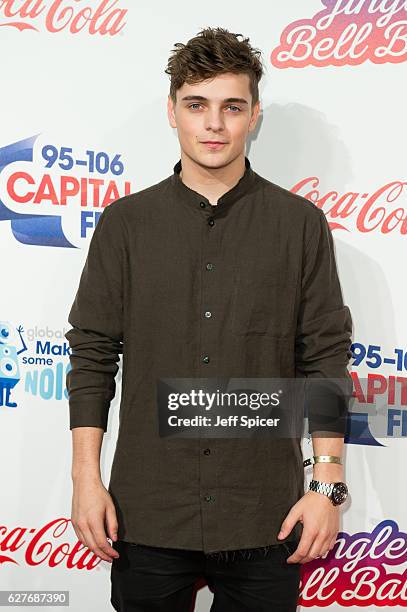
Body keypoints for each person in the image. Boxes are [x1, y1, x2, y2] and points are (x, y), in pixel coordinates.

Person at [65, 26, 353, 612]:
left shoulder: (300, 225)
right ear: (172, 112)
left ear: (254, 117)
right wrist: (85, 479)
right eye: (197, 105)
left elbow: (324, 357)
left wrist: (326, 485)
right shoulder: (126, 225)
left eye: (232, 107)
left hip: (264, 513)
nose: (214, 124)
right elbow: (93, 352)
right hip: (148, 510)